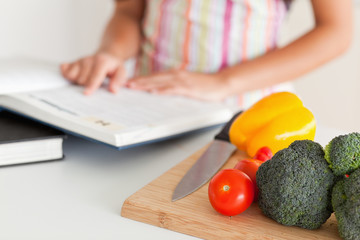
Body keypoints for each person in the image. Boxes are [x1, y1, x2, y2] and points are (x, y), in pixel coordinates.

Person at [60, 0, 352, 108]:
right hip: (148, 106)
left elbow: (336, 31)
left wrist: (222, 81)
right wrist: (111, 53)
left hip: (249, 112)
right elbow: (128, 10)